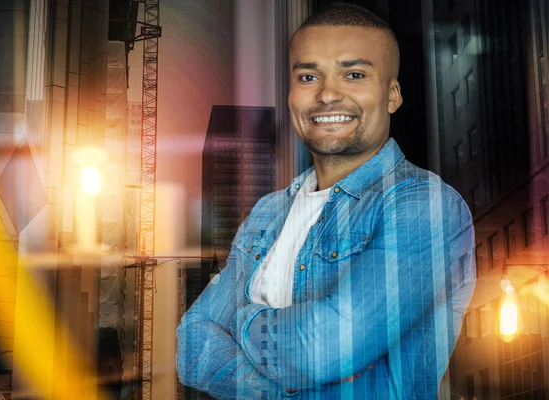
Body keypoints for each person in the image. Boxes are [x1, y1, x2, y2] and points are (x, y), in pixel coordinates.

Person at [177, 3, 475, 399]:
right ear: (291, 94)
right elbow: (190, 346)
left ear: (392, 95)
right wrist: (272, 388)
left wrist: (242, 321)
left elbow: (327, 347)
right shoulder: (267, 213)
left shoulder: (426, 205)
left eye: (354, 74)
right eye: (308, 75)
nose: (327, 94)